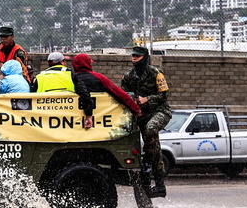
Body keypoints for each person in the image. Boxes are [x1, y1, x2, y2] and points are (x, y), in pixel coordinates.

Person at [121, 46, 172, 198]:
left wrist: (147, 100)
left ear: (145, 57)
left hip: (160, 112)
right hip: (140, 114)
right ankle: (158, 184)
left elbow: (164, 96)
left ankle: (148, 164)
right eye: (133, 56)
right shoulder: (129, 75)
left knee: (150, 129)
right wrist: (136, 106)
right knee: (153, 144)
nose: (134, 59)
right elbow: (125, 94)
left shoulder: (156, 73)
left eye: (137, 56)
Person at [71, 53, 141, 129]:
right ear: (88, 64)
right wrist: (136, 109)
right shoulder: (99, 77)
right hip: (100, 121)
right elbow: (119, 93)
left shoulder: (70, 78)